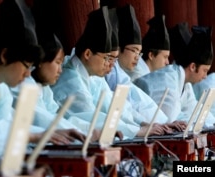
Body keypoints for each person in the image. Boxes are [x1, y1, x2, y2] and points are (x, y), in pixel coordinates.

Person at [0, 0, 80, 161]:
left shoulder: (1, 85)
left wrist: (44, 134)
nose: (28, 74)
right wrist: (32, 136)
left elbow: (8, 123)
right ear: (5, 56)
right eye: (26, 66)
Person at [51, 6, 168, 139]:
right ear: (88, 54)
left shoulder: (94, 78)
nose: (110, 64)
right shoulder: (69, 80)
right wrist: (135, 130)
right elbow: (91, 117)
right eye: (107, 58)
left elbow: (113, 107)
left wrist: (141, 124)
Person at [104, 5, 184, 131]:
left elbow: (134, 105)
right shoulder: (115, 72)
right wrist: (144, 128)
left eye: (139, 52)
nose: (137, 57)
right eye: (134, 51)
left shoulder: (120, 73)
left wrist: (161, 122)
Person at [134, 23, 215, 127]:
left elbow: (195, 110)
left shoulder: (185, 84)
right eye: (204, 70)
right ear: (193, 67)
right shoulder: (168, 80)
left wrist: (211, 124)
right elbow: (171, 119)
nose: (205, 76)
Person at [127, 15, 170, 81]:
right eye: (165, 57)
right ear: (151, 55)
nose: (167, 62)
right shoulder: (139, 75)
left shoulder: (148, 73)